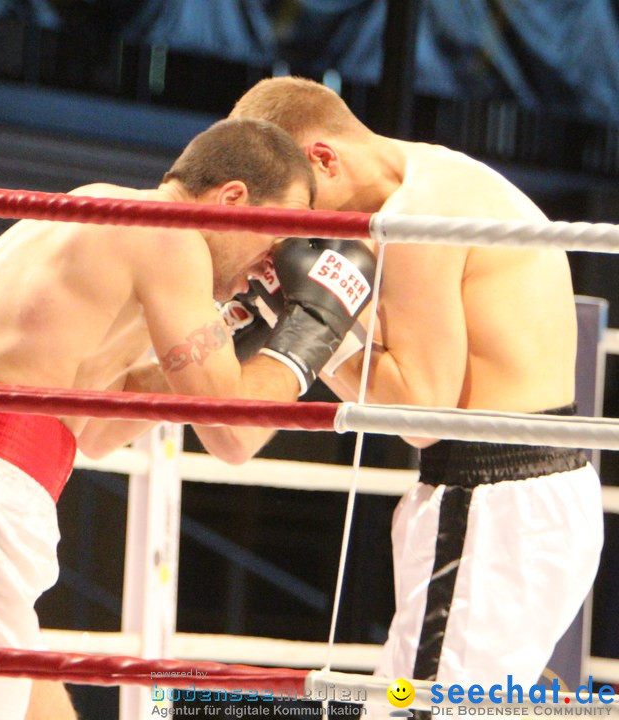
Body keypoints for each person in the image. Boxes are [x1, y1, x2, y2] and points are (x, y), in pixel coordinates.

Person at [0, 117, 377, 720]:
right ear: (231, 198)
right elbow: (234, 433)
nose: (269, 263)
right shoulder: (169, 237)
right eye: (278, 233)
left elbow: (95, 430)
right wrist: (312, 329)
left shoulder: (110, 220)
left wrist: (242, 326)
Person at [230, 77, 603, 695]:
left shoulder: (412, 219)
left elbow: (422, 415)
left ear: (323, 157)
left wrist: (315, 330)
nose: (302, 227)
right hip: (517, 502)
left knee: (419, 710)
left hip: (493, 508)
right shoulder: (442, 175)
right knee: (413, 702)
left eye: (300, 202)